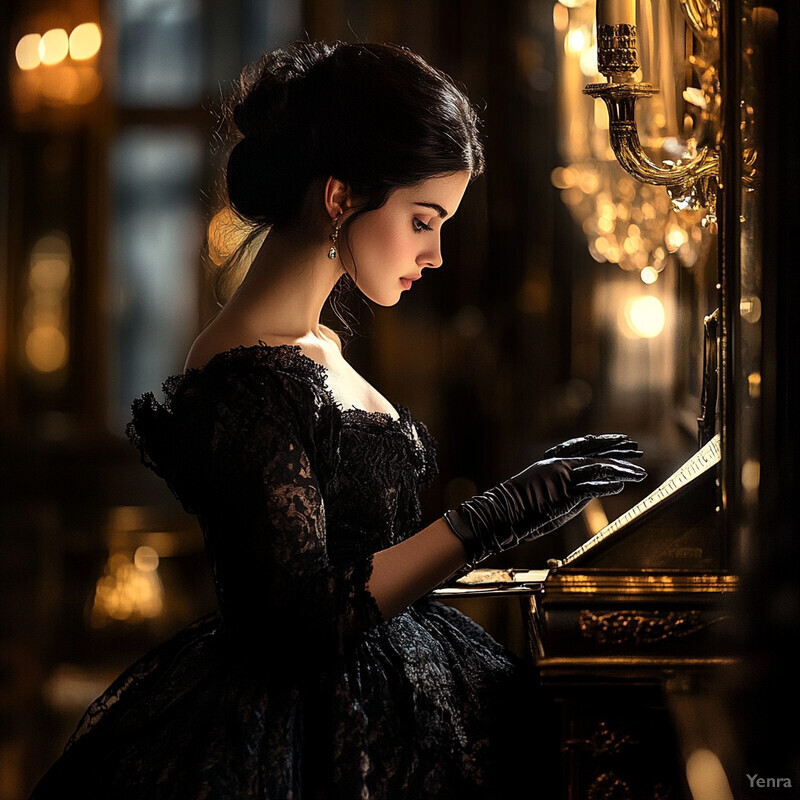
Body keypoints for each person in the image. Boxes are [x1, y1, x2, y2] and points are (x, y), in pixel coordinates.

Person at [28, 40, 646, 799]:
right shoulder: (242, 375)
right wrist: (493, 516)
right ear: (340, 197)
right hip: (304, 746)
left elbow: (373, 556)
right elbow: (296, 624)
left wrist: (520, 516)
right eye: (424, 220)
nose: (438, 253)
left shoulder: (322, 347)